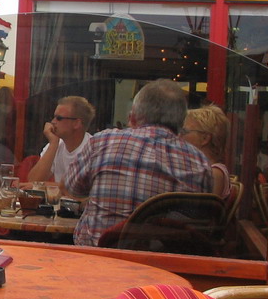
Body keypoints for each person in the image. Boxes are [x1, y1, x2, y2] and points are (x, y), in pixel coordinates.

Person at [63, 79, 212, 246]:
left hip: (99, 260)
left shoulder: (104, 142)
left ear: (133, 115)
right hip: (163, 266)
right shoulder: (199, 162)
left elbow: (73, 188)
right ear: (181, 121)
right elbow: (199, 222)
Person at [27, 96, 96, 184]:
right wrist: (53, 144)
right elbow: (33, 181)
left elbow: (81, 190)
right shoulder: (55, 144)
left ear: (76, 123)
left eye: (59, 118)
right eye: (54, 117)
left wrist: (47, 186)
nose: (53, 122)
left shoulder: (94, 149)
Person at [182, 104, 232, 199]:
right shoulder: (204, 169)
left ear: (205, 138)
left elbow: (206, 211)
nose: (179, 135)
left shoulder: (215, 173)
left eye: (185, 132)